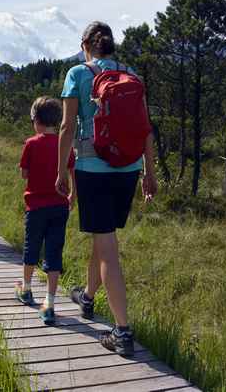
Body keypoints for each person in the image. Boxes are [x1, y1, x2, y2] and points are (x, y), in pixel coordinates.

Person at [56, 21, 158, 356]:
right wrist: (149, 172)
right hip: (127, 168)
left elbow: (68, 125)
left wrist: (61, 172)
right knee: (105, 238)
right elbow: (145, 129)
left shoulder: (78, 73)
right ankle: (86, 296)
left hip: (92, 168)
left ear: (85, 43)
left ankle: (122, 332)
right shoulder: (132, 76)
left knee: (108, 248)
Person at [14, 97, 75, 325]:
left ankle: (27, 290)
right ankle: (49, 303)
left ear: (36, 120)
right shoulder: (64, 144)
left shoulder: (31, 143)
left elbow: (24, 174)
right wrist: (72, 196)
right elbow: (71, 171)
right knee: (53, 252)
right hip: (60, 206)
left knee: (32, 247)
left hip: (36, 206)